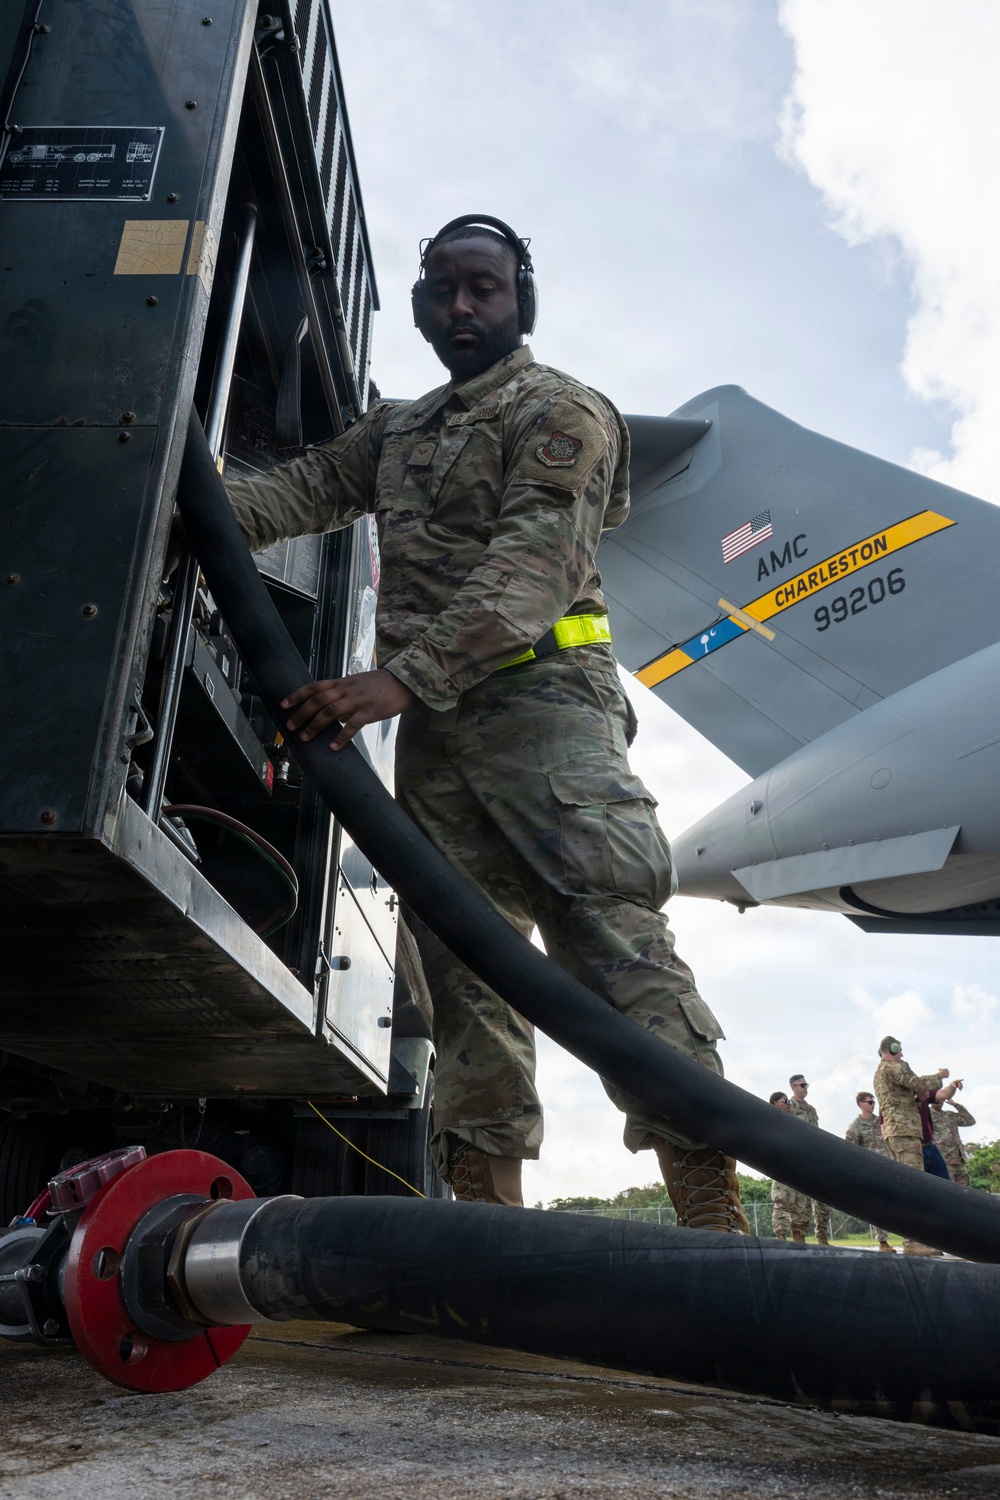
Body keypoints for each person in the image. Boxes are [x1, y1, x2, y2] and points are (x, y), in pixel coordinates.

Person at [222, 215, 748, 1231]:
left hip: (547, 714)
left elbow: (535, 566)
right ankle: (489, 1228)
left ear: (520, 299)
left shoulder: (561, 410)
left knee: (610, 946)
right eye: (443, 289)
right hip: (436, 732)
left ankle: (710, 1214)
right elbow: (295, 493)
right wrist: (168, 490)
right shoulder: (401, 431)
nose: (462, 308)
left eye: (484, 288)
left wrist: (398, 679)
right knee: (461, 974)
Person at [873, 1035, 961, 1255]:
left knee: (911, 1184)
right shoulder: (892, 1068)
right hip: (903, 1132)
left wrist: (918, 1098)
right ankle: (913, 1242)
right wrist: (941, 1075)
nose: (902, 1054)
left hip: (901, 1132)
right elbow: (919, 1083)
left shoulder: (884, 1073)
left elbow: (906, 1097)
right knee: (912, 1187)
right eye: (899, 1050)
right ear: (891, 1049)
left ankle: (916, 1239)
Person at [844, 1091, 895, 1252]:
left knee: (891, 1205)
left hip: (887, 1168)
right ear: (861, 1104)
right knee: (878, 1206)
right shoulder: (855, 1126)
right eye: (869, 1102)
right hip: (871, 1172)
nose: (873, 1105)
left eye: (874, 1102)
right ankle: (882, 1241)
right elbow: (849, 1150)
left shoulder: (881, 1122)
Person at [787, 1075, 831, 1245]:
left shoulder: (811, 1110)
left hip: (814, 1159)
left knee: (821, 1202)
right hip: (798, 1160)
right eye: (802, 1085)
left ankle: (822, 1238)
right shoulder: (789, 1108)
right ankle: (799, 1239)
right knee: (800, 1203)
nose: (806, 1088)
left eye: (806, 1085)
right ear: (793, 1088)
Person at [768, 1092, 810, 1243]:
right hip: (782, 1170)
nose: (788, 1103)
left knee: (800, 1205)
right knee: (782, 1204)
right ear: (775, 1103)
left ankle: (799, 1239)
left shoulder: (793, 1121)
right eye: (785, 1101)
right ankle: (781, 1239)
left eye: (789, 1101)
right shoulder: (770, 1121)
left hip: (797, 1169)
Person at [931, 1095, 976, 1187]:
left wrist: (956, 1105)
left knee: (966, 1190)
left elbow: (970, 1121)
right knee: (948, 1189)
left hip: (958, 1160)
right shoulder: (927, 1115)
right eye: (937, 1101)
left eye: (941, 1101)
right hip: (943, 1160)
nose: (940, 1103)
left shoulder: (950, 1115)